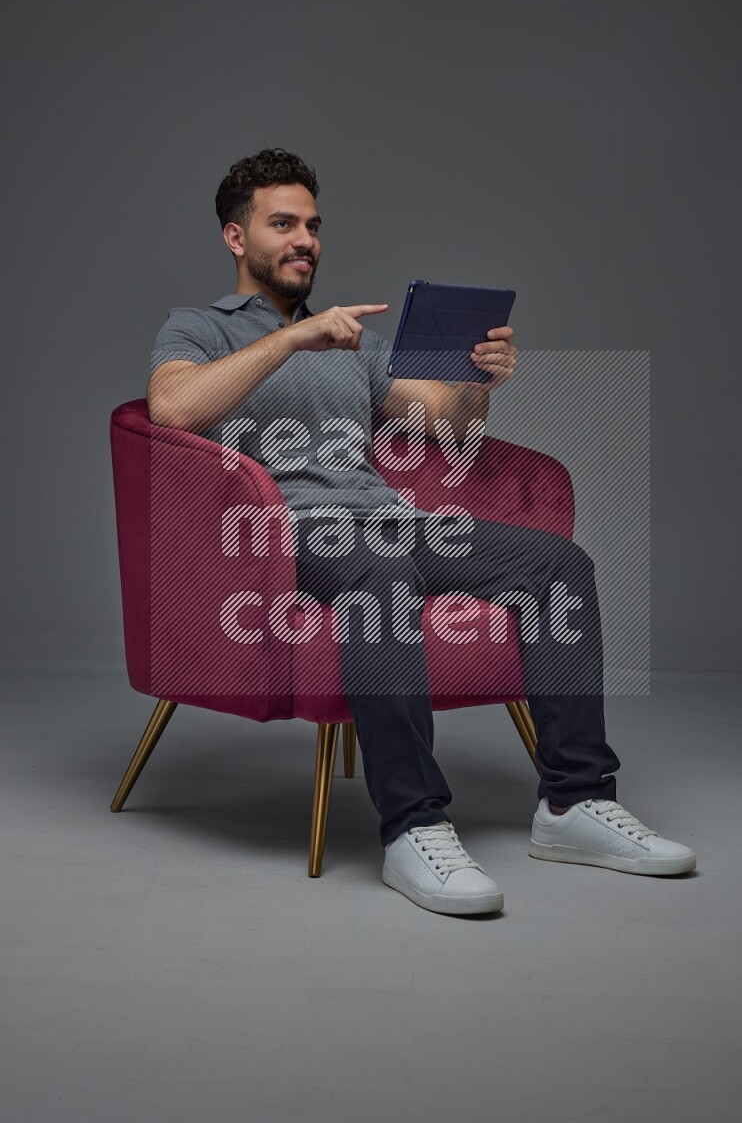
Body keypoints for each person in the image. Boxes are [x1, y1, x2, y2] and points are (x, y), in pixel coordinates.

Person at [147, 146, 696, 916]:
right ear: (237, 239)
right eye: (283, 223)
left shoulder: (355, 344)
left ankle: (574, 804)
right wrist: (289, 339)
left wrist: (478, 377)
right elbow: (171, 411)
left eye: (312, 224)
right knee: (380, 574)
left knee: (558, 566)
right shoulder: (198, 328)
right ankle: (414, 827)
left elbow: (446, 424)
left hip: (392, 523)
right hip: (283, 535)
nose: (305, 239)